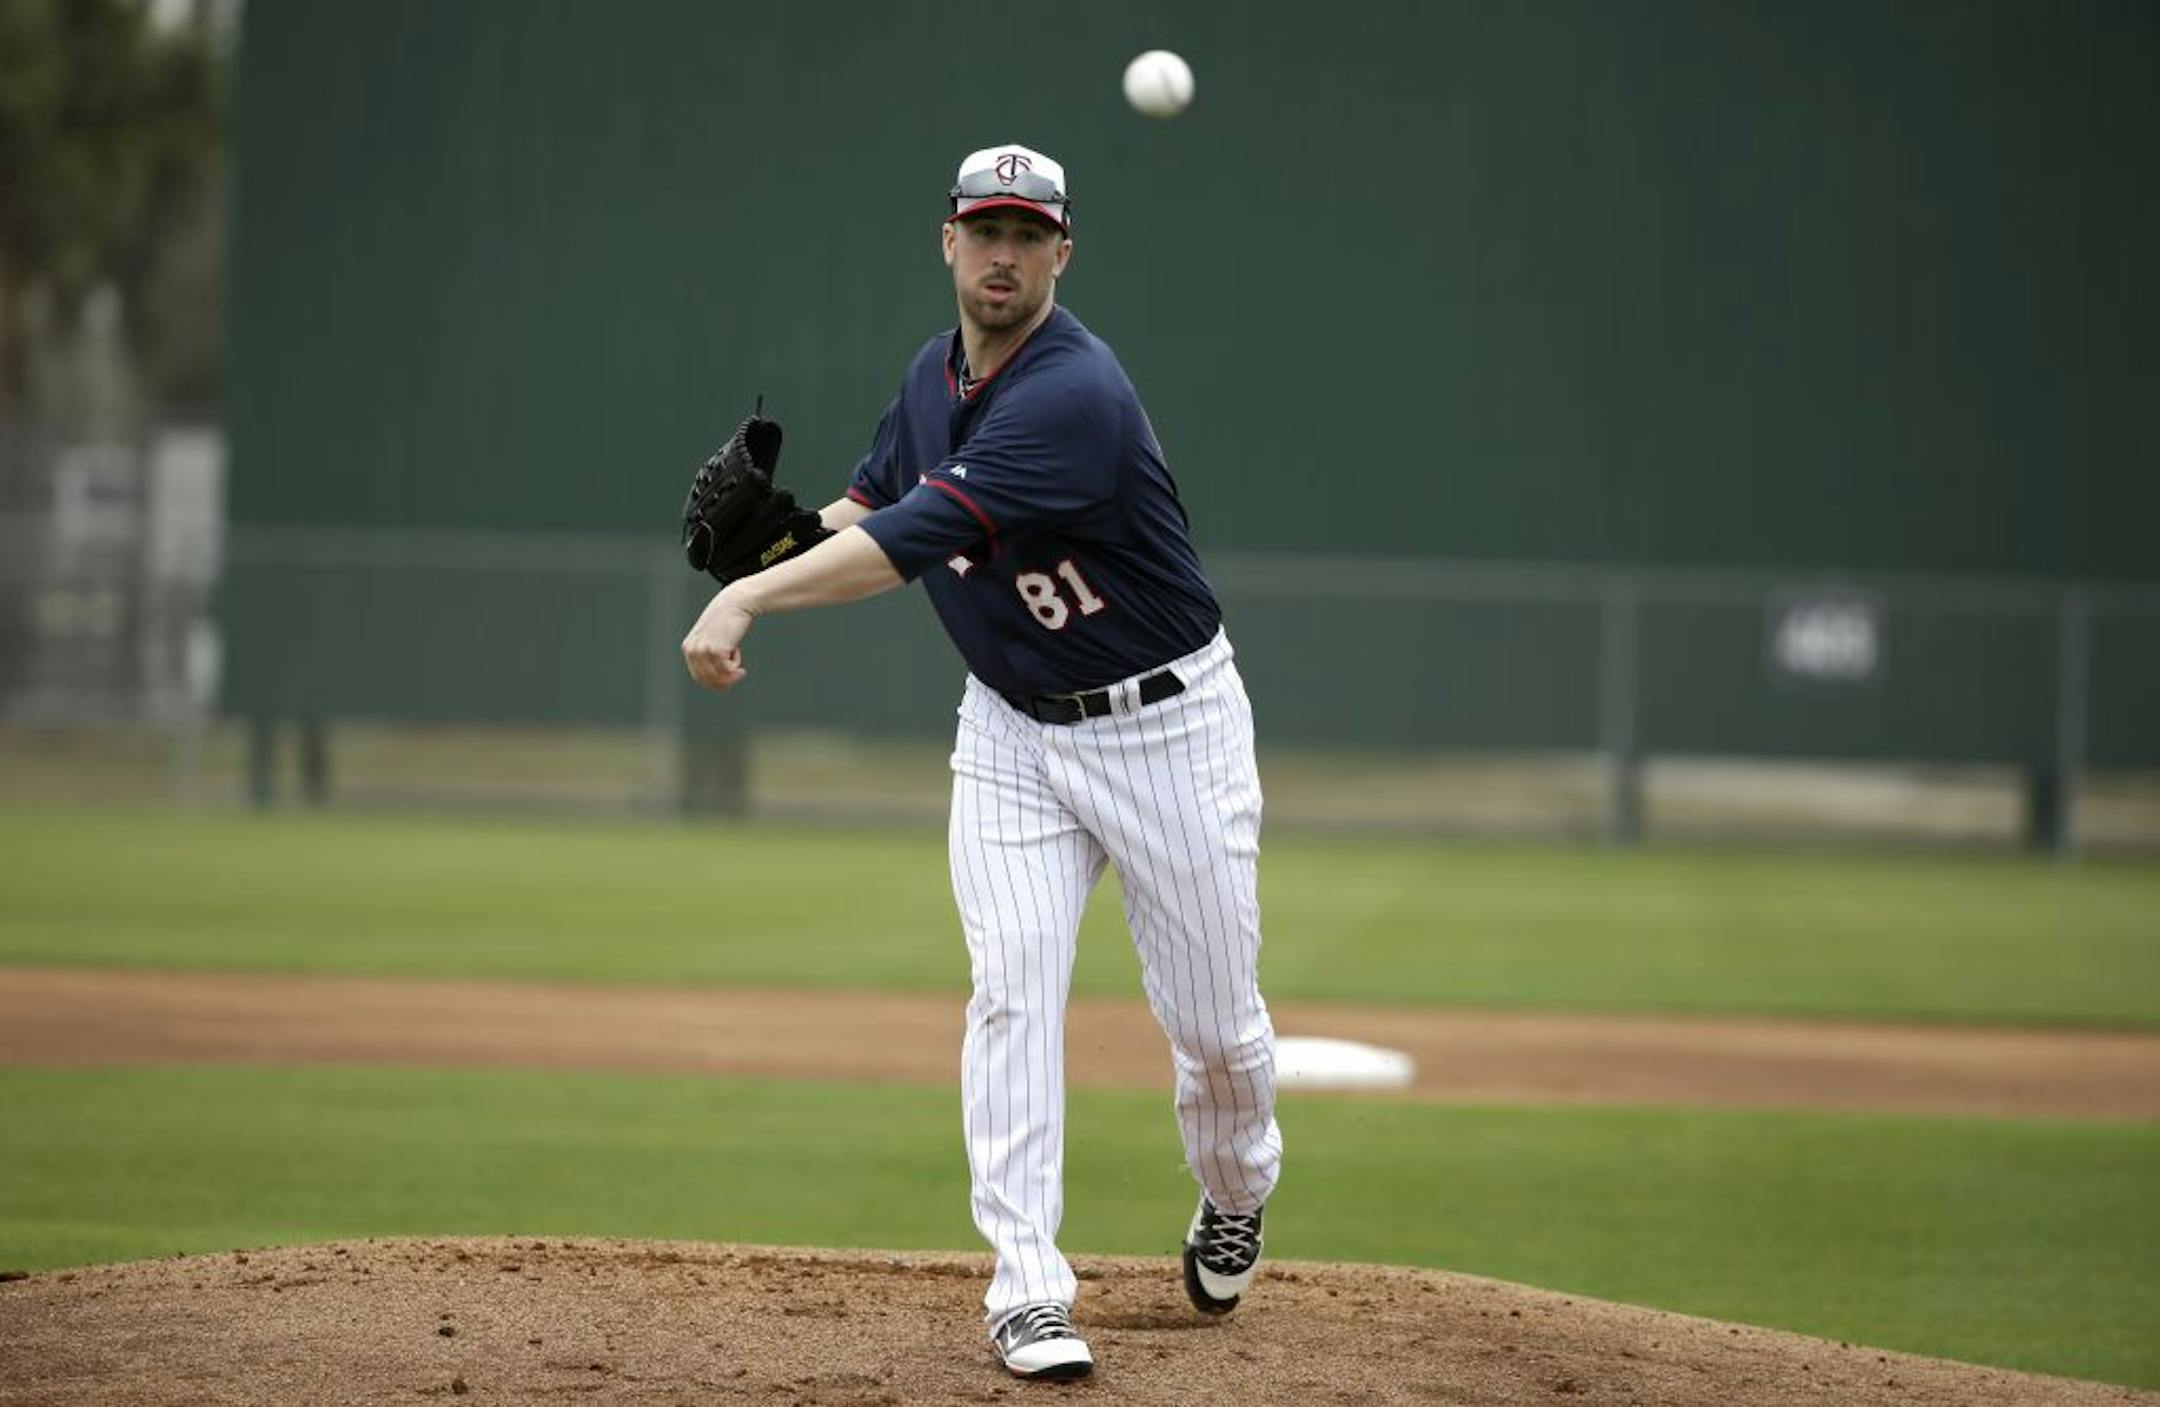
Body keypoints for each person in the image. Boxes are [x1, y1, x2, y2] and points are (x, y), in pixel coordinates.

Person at [681, 142, 1283, 1382]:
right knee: (1012, 987)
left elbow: (913, 541)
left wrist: (749, 596)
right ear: (946, 241)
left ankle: (1237, 1184)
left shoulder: (1077, 396)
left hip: (1168, 731)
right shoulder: (930, 378)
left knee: (1216, 1033)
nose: (1001, 253)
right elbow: (869, 508)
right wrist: (784, 534)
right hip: (1012, 731)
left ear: (1061, 252)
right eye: (983, 229)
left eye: (1027, 233)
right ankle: (1027, 1288)